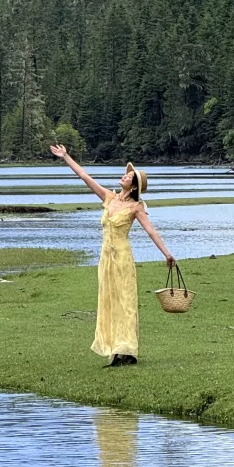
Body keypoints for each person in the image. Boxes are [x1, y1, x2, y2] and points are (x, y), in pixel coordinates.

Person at [50, 145, 176, 367]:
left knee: (125, 301)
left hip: (123, 258)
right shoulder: (109, 198)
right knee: (109, 301)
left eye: (128, 176)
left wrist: (167, 254)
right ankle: (115, 349)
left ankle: (127, 349)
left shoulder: (136, 207)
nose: (124, 176)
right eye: (126, 174)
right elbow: (84, 176)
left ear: (134, 185)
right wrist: (66, 157)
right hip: (106, 258)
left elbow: (151, 231)